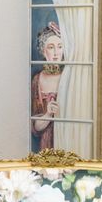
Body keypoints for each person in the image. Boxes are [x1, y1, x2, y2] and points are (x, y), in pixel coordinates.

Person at [31, 22, 63, 151]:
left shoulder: (70, 77)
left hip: (68, 139)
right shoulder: (37, 80)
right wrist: (48, 114)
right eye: (51, 47)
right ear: (43, 51)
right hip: (47, 146)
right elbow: (35, 127)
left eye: (60, 47)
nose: (56, 53)